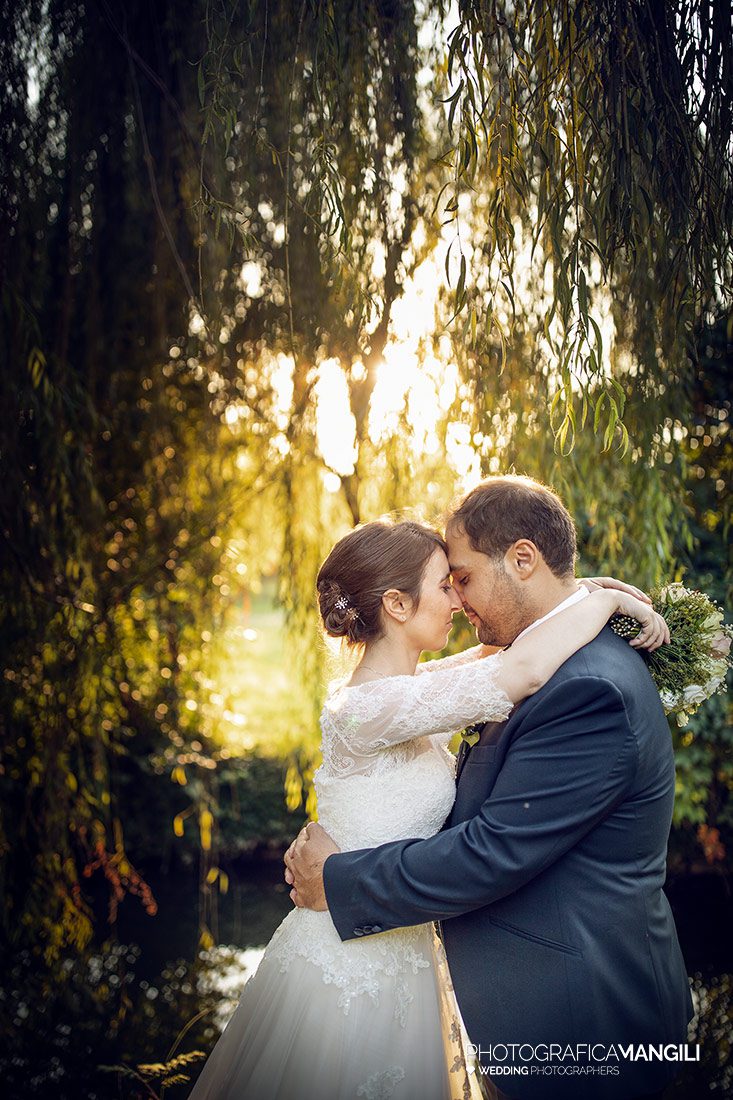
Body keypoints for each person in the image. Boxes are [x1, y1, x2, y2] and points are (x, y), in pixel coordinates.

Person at [190, 494, 669, 1100]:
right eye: (448, 584)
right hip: (354, 958)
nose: (458, 599)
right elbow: (517, 669)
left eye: (460, 580)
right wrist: (600, 601)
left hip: (405, 946)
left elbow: (504, 654)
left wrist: (589, 592)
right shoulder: (369, 707)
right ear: (395, 604)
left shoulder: (417, 688)